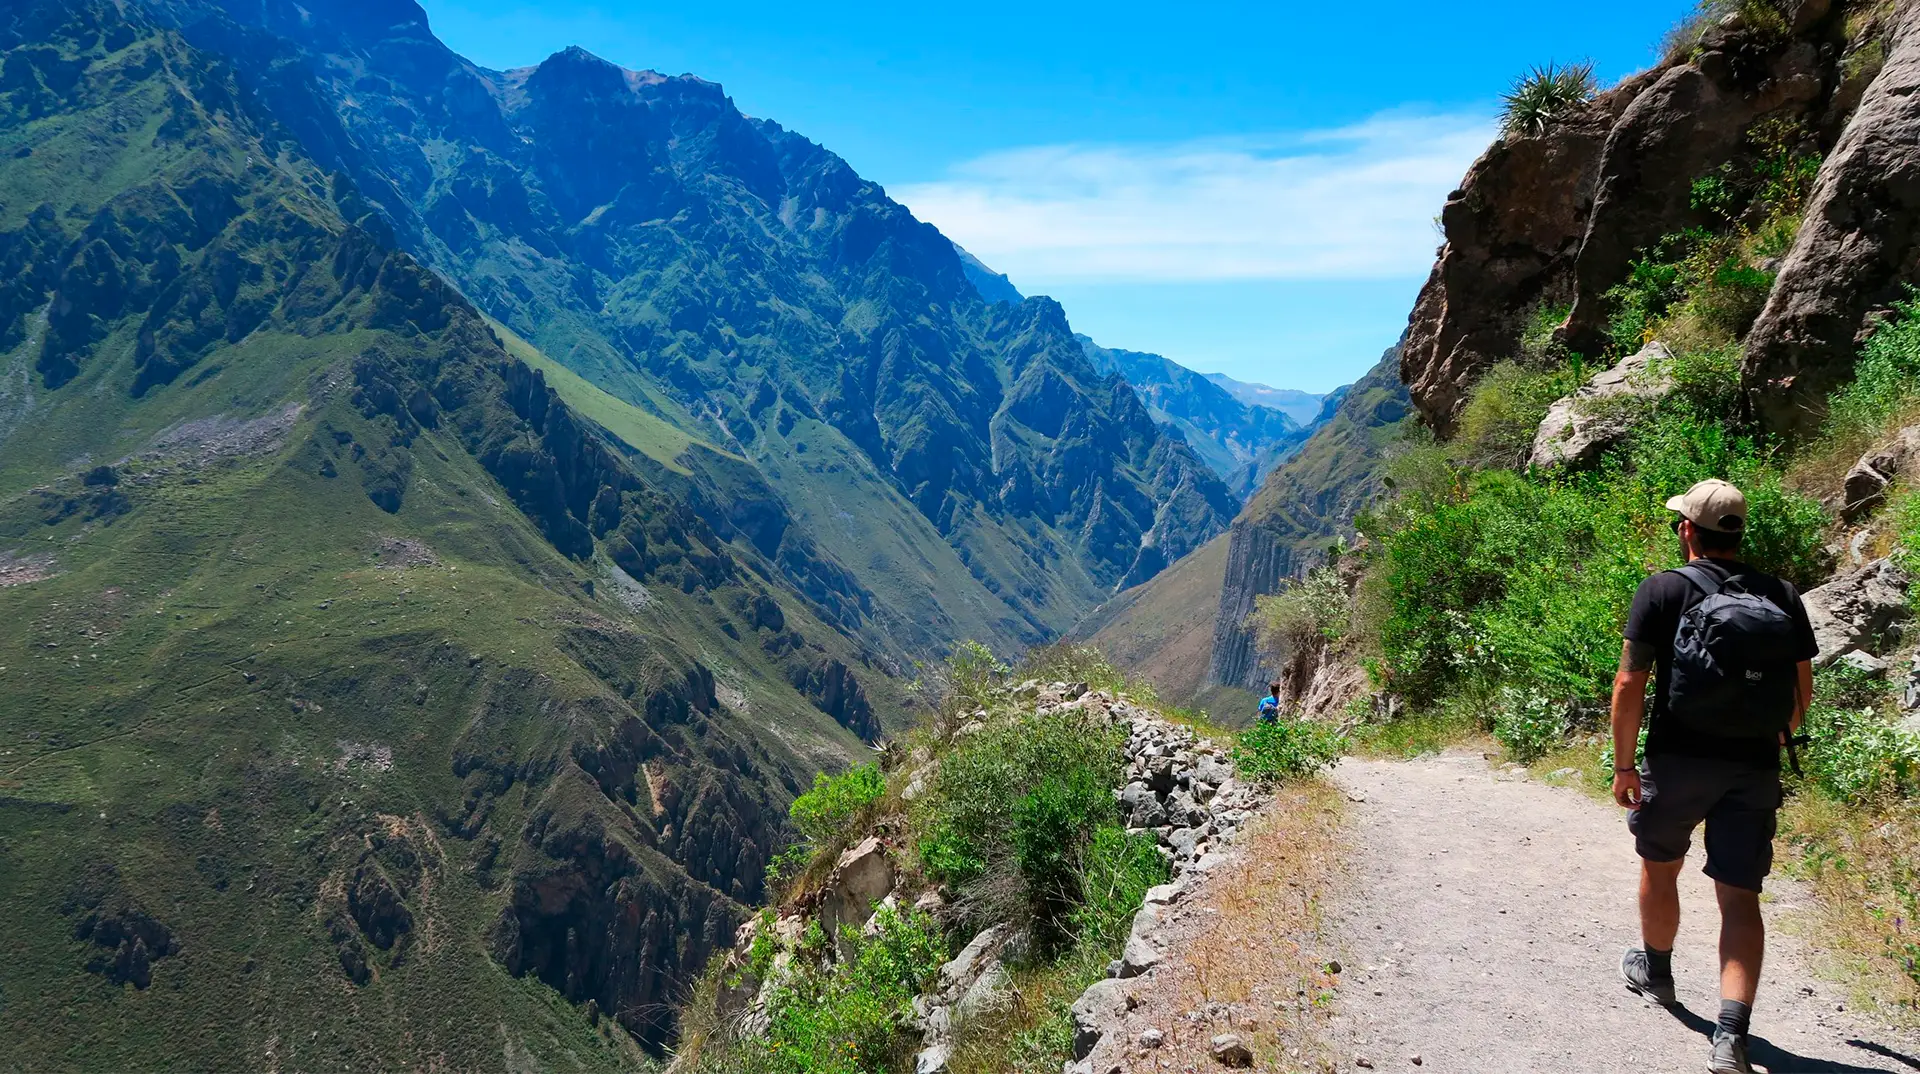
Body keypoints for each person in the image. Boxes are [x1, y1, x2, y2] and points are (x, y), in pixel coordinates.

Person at [1610, 479, 1818, 1074]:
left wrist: (1625, 764)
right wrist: (1777, 735)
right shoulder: (1781, 595)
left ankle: (1657, 971)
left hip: (1677, 760)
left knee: (1660, 864)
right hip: (1754, 764)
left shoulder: (1662, 590)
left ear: (1686, 531)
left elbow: (1630, 685)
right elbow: (1801, 686)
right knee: (1740, 895)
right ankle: (1731, 1037)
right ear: (1737, 532)